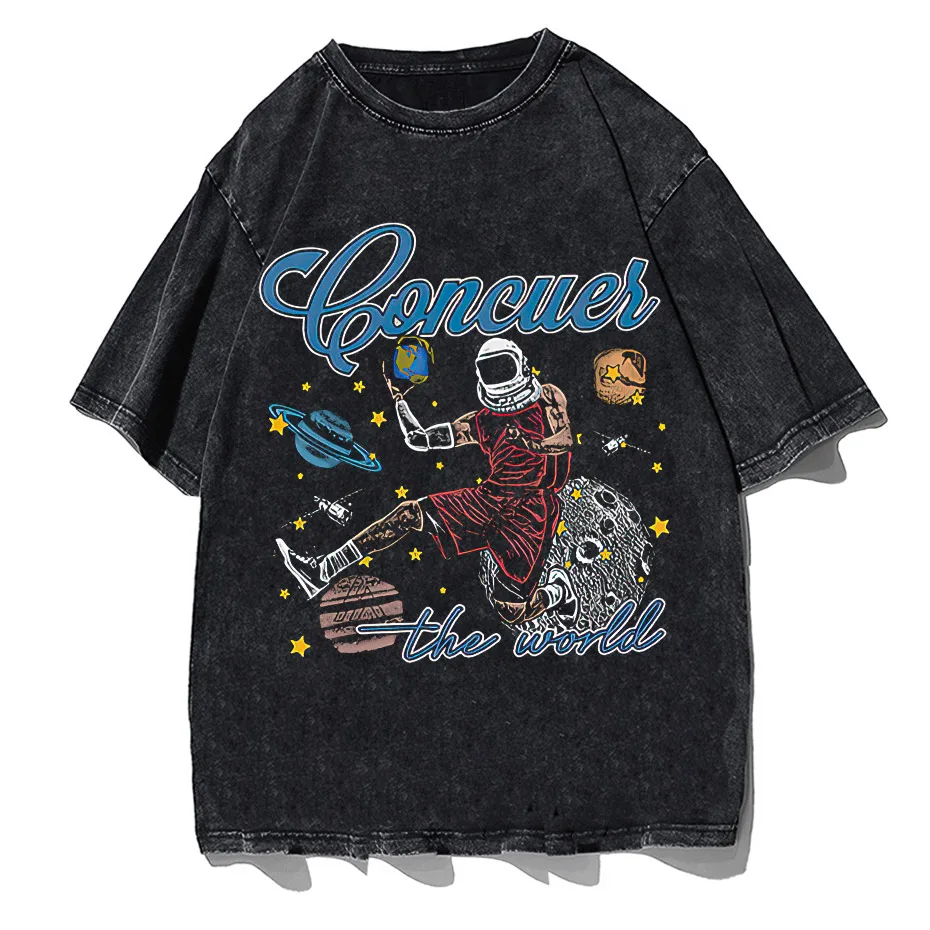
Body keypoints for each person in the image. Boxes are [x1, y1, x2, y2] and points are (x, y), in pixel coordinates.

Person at [277, 337, 577, 624]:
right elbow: (419, 439)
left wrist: (530, 443)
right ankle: (323, 570)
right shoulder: (481, 420)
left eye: (503, 366)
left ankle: (557, 593)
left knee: (510, 610)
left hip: (532, 509)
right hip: (488, 499)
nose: (498, 374)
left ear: (521, 364)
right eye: (491, 369)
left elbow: (565, 440)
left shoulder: (548, 397)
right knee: (408, 514)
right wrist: (399, 400)